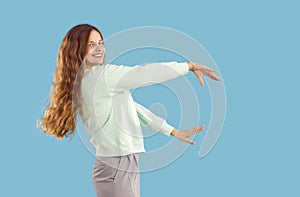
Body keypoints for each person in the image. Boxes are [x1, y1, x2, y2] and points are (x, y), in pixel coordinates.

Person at [37, 24, 221, 197]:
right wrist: (186, 66)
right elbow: (143, 73)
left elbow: (133, 109)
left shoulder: (85, 81)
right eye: (91, 44)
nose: (99, 48)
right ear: (77, 50)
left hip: (110, 164)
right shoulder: (101, 76)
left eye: (101, 43)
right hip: (119, 165)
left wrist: (172, 131)